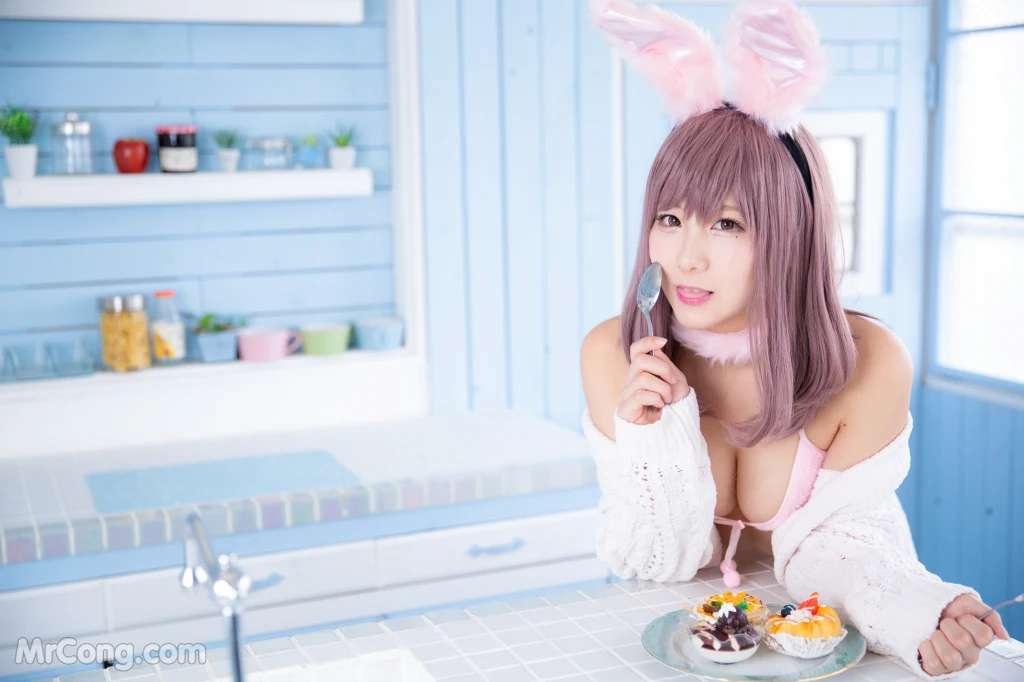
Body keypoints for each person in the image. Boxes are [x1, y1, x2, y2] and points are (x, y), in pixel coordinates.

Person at [579, 0, 1011, 678]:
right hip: (660, 649)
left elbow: (848, 547)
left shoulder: (868, 364)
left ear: (791, 233)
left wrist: (917, 610)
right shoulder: (615, 356)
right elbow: (650, 564)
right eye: (670, 218)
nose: (686, 257)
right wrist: (656, 440)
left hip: (822, 642)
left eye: (726, 224)